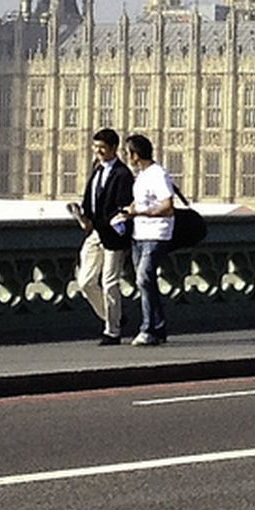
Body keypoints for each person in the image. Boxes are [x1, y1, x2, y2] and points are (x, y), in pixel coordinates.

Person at [120, 132, 188, 346]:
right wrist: (130, 210)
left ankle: (148, 329)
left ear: (135, 154)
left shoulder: (158, 174)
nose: (127, 157)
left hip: (157, 234)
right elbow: (142, 202)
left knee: (143, 278)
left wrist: (141, 213)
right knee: (145, 282)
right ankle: (158, 328)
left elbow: (168, 207)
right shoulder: (141, 176)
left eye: (128, 153)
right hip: (139, 234)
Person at [71, 127, 130, 344]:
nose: (98, 151)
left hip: (113, 235)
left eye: (102, 148)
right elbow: (90, 199)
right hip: (96, 232)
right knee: (85, 281)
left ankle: (112, 331)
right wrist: (82, 216)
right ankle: (113, 317)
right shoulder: (96, 169)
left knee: (110, 282)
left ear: (114, 149)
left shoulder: (123, 174)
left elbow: (123, 207)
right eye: (95, 147)